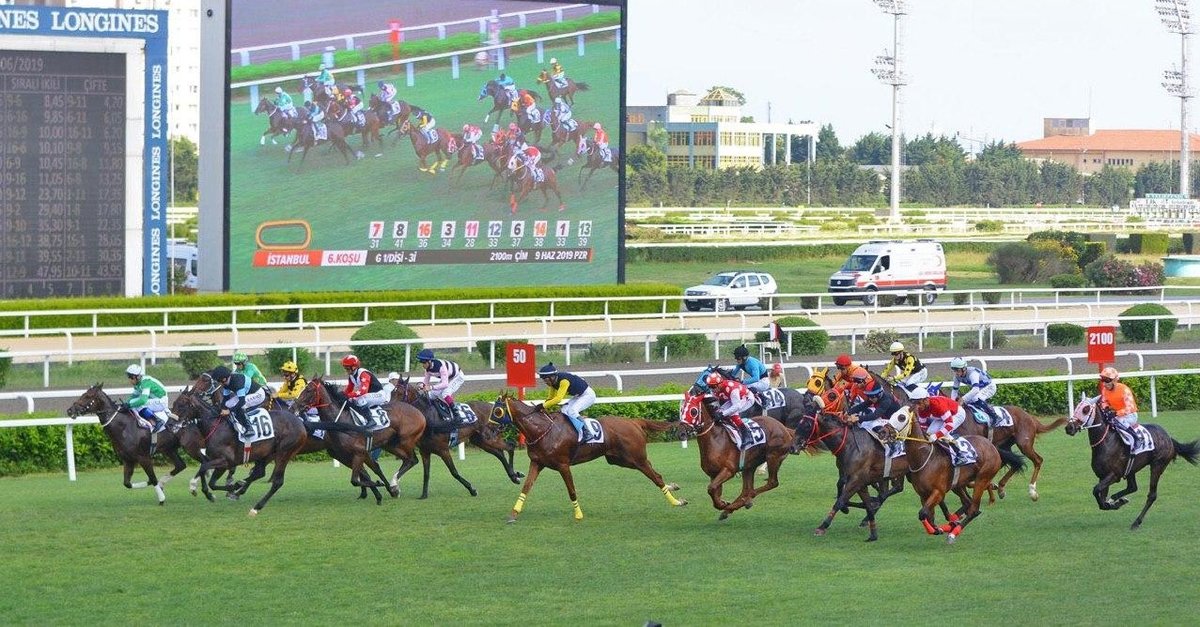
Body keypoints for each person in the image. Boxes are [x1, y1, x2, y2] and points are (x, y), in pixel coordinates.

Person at [538, 362, 598, 443]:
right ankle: (572, 431)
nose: (545, 382)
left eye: (546, 380)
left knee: (572, 411)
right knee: (564, 409)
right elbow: (550, 398)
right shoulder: (553, 384)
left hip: (588, 395)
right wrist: (543, 406)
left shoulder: (564, 381)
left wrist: (542, 406)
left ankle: (587, 433)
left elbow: (558, 399)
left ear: (552, 377)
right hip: (578, 396)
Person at [1090, 367, 1143, 453]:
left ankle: (1136, 439)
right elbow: (1104, 401)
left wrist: (1116, 413)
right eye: (1102, 380)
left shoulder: (1124, 390)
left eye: (1107, 380)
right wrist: (1106, 408)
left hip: (1130, 415)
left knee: (1119, 422)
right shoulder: (1105, 390)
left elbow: (1130, 408)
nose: (1104, 383)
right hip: (1116, 415)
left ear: (1114, 380)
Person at [211, 364, 266, 438]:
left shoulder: (237, 381)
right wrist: (222, 408)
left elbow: (242, 402)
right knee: (227, 404)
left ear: (224, 379)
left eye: (218, 380)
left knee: (240, 406)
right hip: (247, 394)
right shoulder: (226, 383)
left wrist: (229, 411)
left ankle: (249, 428)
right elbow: (225, 399)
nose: (218, 382)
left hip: (258, 394)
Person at [908, 386, 968, 453]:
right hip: (941, 417)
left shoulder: (938, 405)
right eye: (915, 403)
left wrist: (937, 435)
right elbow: (923, 426)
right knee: (929, 433)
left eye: (919, 403)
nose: (917, 406)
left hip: (957, 414)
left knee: (943, 434)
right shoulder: (922, 409)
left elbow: (949, 424)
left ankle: (961, 453)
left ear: (926, 400)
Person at [704, 371, 755, 443]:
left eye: (713, 387)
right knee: (719, 412)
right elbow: (716, 400)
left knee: (732, 413)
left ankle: (746, 434)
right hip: (733, 399)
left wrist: (723, 414)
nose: (712, 389)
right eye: (709, 386)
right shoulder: (716, 389)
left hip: (746, 398)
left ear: (720, 384)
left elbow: (736, 406)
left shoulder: (732, 389)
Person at [948, 357, 999, 425]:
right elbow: (954, 390)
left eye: (957, 370)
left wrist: (963, 399)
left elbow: (975, 390)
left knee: (975, 398)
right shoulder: (956, 377)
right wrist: (952, 403)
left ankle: (994, 415)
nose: (956, 373)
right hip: (979, 388)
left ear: (964, 369)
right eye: (954, 370)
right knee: (969, 401)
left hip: (989, 387)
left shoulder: (973, 373)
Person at [417, 349, 464, 422]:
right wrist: (422, 385)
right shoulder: (428, 369)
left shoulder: (441, 367)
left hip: (457, 377)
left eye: (424, 362)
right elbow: (426, 381)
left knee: (445, 393)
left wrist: (431, 387)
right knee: (430, 395)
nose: (422, 365)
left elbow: (445, 384)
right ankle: (439, 413)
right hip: (448, 377)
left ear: (429, 361)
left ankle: (457, 415)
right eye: (421, 362)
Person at [341, 354, 388, 425]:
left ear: (353, 367)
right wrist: (341, 396)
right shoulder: (351, 376)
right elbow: (348, 389)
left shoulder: (363, 373)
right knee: (351, 400)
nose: (345, 370)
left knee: (360, 400)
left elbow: (363, 391)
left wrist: (349, 395)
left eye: (347, 368)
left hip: (379, 394)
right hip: (369, 395)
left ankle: (371, 420)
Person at [123, 364, 170, 431]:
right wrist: (125, 404)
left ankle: (157, 421)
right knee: (132, 402)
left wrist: (129, 405)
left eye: (129, 377)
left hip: (161, 402)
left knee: (138, 404)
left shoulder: (145, 382)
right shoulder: (138, 384)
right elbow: (133, 397)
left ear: (135, 377)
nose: (129, 379)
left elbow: (143, 400)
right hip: (156, 400)